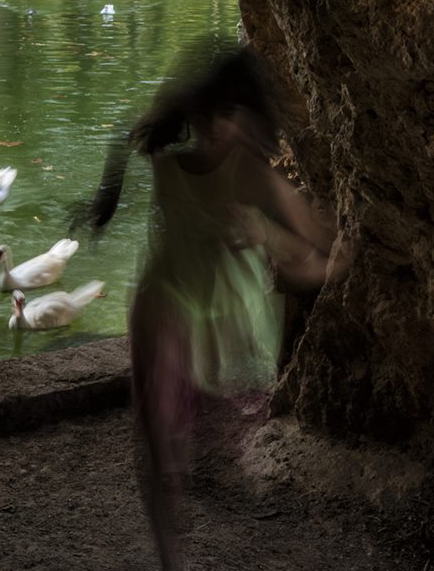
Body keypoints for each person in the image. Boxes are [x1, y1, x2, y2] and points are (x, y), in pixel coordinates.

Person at [73, 49, 352, 570]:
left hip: (225, 322)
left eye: (229, 116)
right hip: (165, 301)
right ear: (196, 115)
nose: (217, 128)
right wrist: (103, 203)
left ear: (245, 118)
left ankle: (184, 474)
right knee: (158, 446)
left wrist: (266, 235)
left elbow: (319, 256)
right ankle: (170, 557)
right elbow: (129, 136)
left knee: (205, 445)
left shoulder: (253, 176)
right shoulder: (169, 161)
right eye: (209, 115)